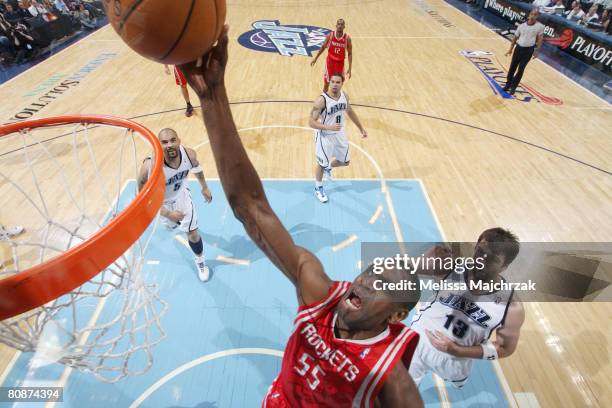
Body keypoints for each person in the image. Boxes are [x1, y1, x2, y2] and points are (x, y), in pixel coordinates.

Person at [178, 26, 424, 408]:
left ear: (397, 315)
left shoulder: (393, 382)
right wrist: (212, 95)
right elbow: (250, 206)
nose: (364, 282)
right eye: (370, 272)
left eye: (382, 284)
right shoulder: (318, 290)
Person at [408, 228, 525, 389]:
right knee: (396, 392)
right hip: (418, 340)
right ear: (475, 247)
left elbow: (505, 348)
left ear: (504, 266)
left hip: (454, 359)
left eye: (493, 259)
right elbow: (403, 268)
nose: (482, 260)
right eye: (481, 251)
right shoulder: (451, 266)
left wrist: (458, 350)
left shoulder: (511, 307)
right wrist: (429, 255)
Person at [137, 128, 212, 281]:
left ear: (179, 140)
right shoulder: (149, 167)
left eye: (172, 140)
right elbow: (143, 195)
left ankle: (200, 260)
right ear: (158, 145)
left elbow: (197, 168)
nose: (169, 145)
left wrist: (204, 186)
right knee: (171, 226)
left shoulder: (189, 155)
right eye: (164, 142)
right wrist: (167, 214)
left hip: (181, 197)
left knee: (192, 233)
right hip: (161, 203)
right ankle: (173, 223)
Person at [308, 73, 367, 203]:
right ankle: (318, 188)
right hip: (324, 135)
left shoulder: (344, 96)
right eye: (332, 82)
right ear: (329, 82)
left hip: (339, 134)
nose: (334, 84)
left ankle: (330, 166)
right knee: (321, 164)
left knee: (345, 162)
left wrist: (361, 128)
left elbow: (350, 111)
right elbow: (311, 122)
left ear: (342, 83)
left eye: (337, 82)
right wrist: (328, 127)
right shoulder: (321, 100)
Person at [504, 9, 544, 95]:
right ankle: (508, 84)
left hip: (529, 50)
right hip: (518, 49)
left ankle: (513, 87)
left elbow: (540, 39)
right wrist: (510, 49)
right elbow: (515, 38)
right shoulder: (521, 26)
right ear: (529, 15)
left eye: (535, 14)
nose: (533, 16)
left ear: (537, 16)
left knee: (521, 69)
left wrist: (537, 51)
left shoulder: (540, 27)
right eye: (532, 14)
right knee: (512, 67)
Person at [310, 19, 353, 93]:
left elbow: (350, 53)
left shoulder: (347, 38)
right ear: (336, 25)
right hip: (330, 62)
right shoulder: (330, 36)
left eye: (342, 24)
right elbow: (323, 47)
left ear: (344, 26)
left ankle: (335, 100)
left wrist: (350, 68)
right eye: (338, 24)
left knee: (339, 84)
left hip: (340, 63)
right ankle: (324, 99)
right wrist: (315, 58)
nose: (340, 26)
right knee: (326, 83)